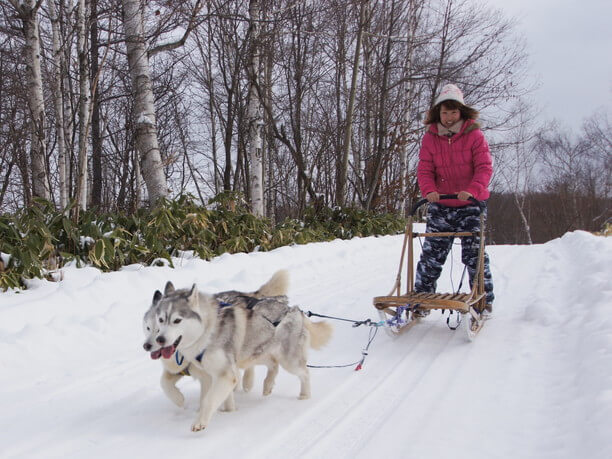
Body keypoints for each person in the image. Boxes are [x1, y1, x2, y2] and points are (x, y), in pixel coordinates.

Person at [414, 83, 494, 318]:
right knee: (431, 254)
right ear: (438, 113)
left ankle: (484, 300)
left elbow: (484, 168)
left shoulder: (474, 135)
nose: (448, 117)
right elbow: (425, 169)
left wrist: (472, 190)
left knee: (474, 255)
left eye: (453, 112)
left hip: (471, 205)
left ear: (462, 112)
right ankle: (421, 299)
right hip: (441, 204)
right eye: (444, 112)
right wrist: (428, 190)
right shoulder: (430, 137)